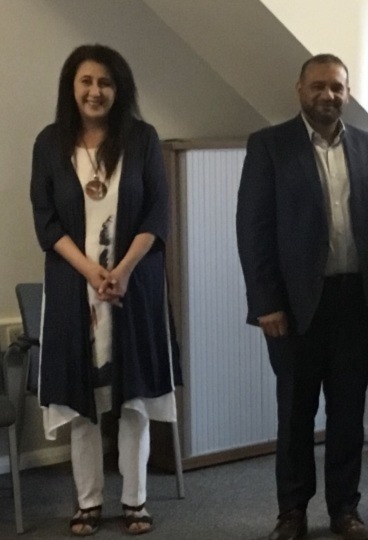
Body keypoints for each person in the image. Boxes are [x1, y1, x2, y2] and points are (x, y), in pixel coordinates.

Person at [236, 53, 368, 540]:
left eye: (336, 87)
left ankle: (344, 510)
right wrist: (265, 302)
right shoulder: (269, 146)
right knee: (295, 411)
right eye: (318, 86)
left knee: (348, 413)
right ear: (299, 90)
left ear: (347, 93)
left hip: (356, 301)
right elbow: (253, 229)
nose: (327, 95)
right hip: (293, 306)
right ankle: (291, 512)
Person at [29, 44, 180, 536]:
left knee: (133, 398)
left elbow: (158, 214)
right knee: (82, 402)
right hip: (75, 289)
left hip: (133, 286)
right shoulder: (50, 143)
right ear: (71, 87)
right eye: (86, 81)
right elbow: (47, 224)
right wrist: (92, 273)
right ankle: (89, 501)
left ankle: (135, 501)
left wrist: (124, 269)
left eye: (106, 83)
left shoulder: (141, 138)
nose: (96, 91)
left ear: (120, 89)